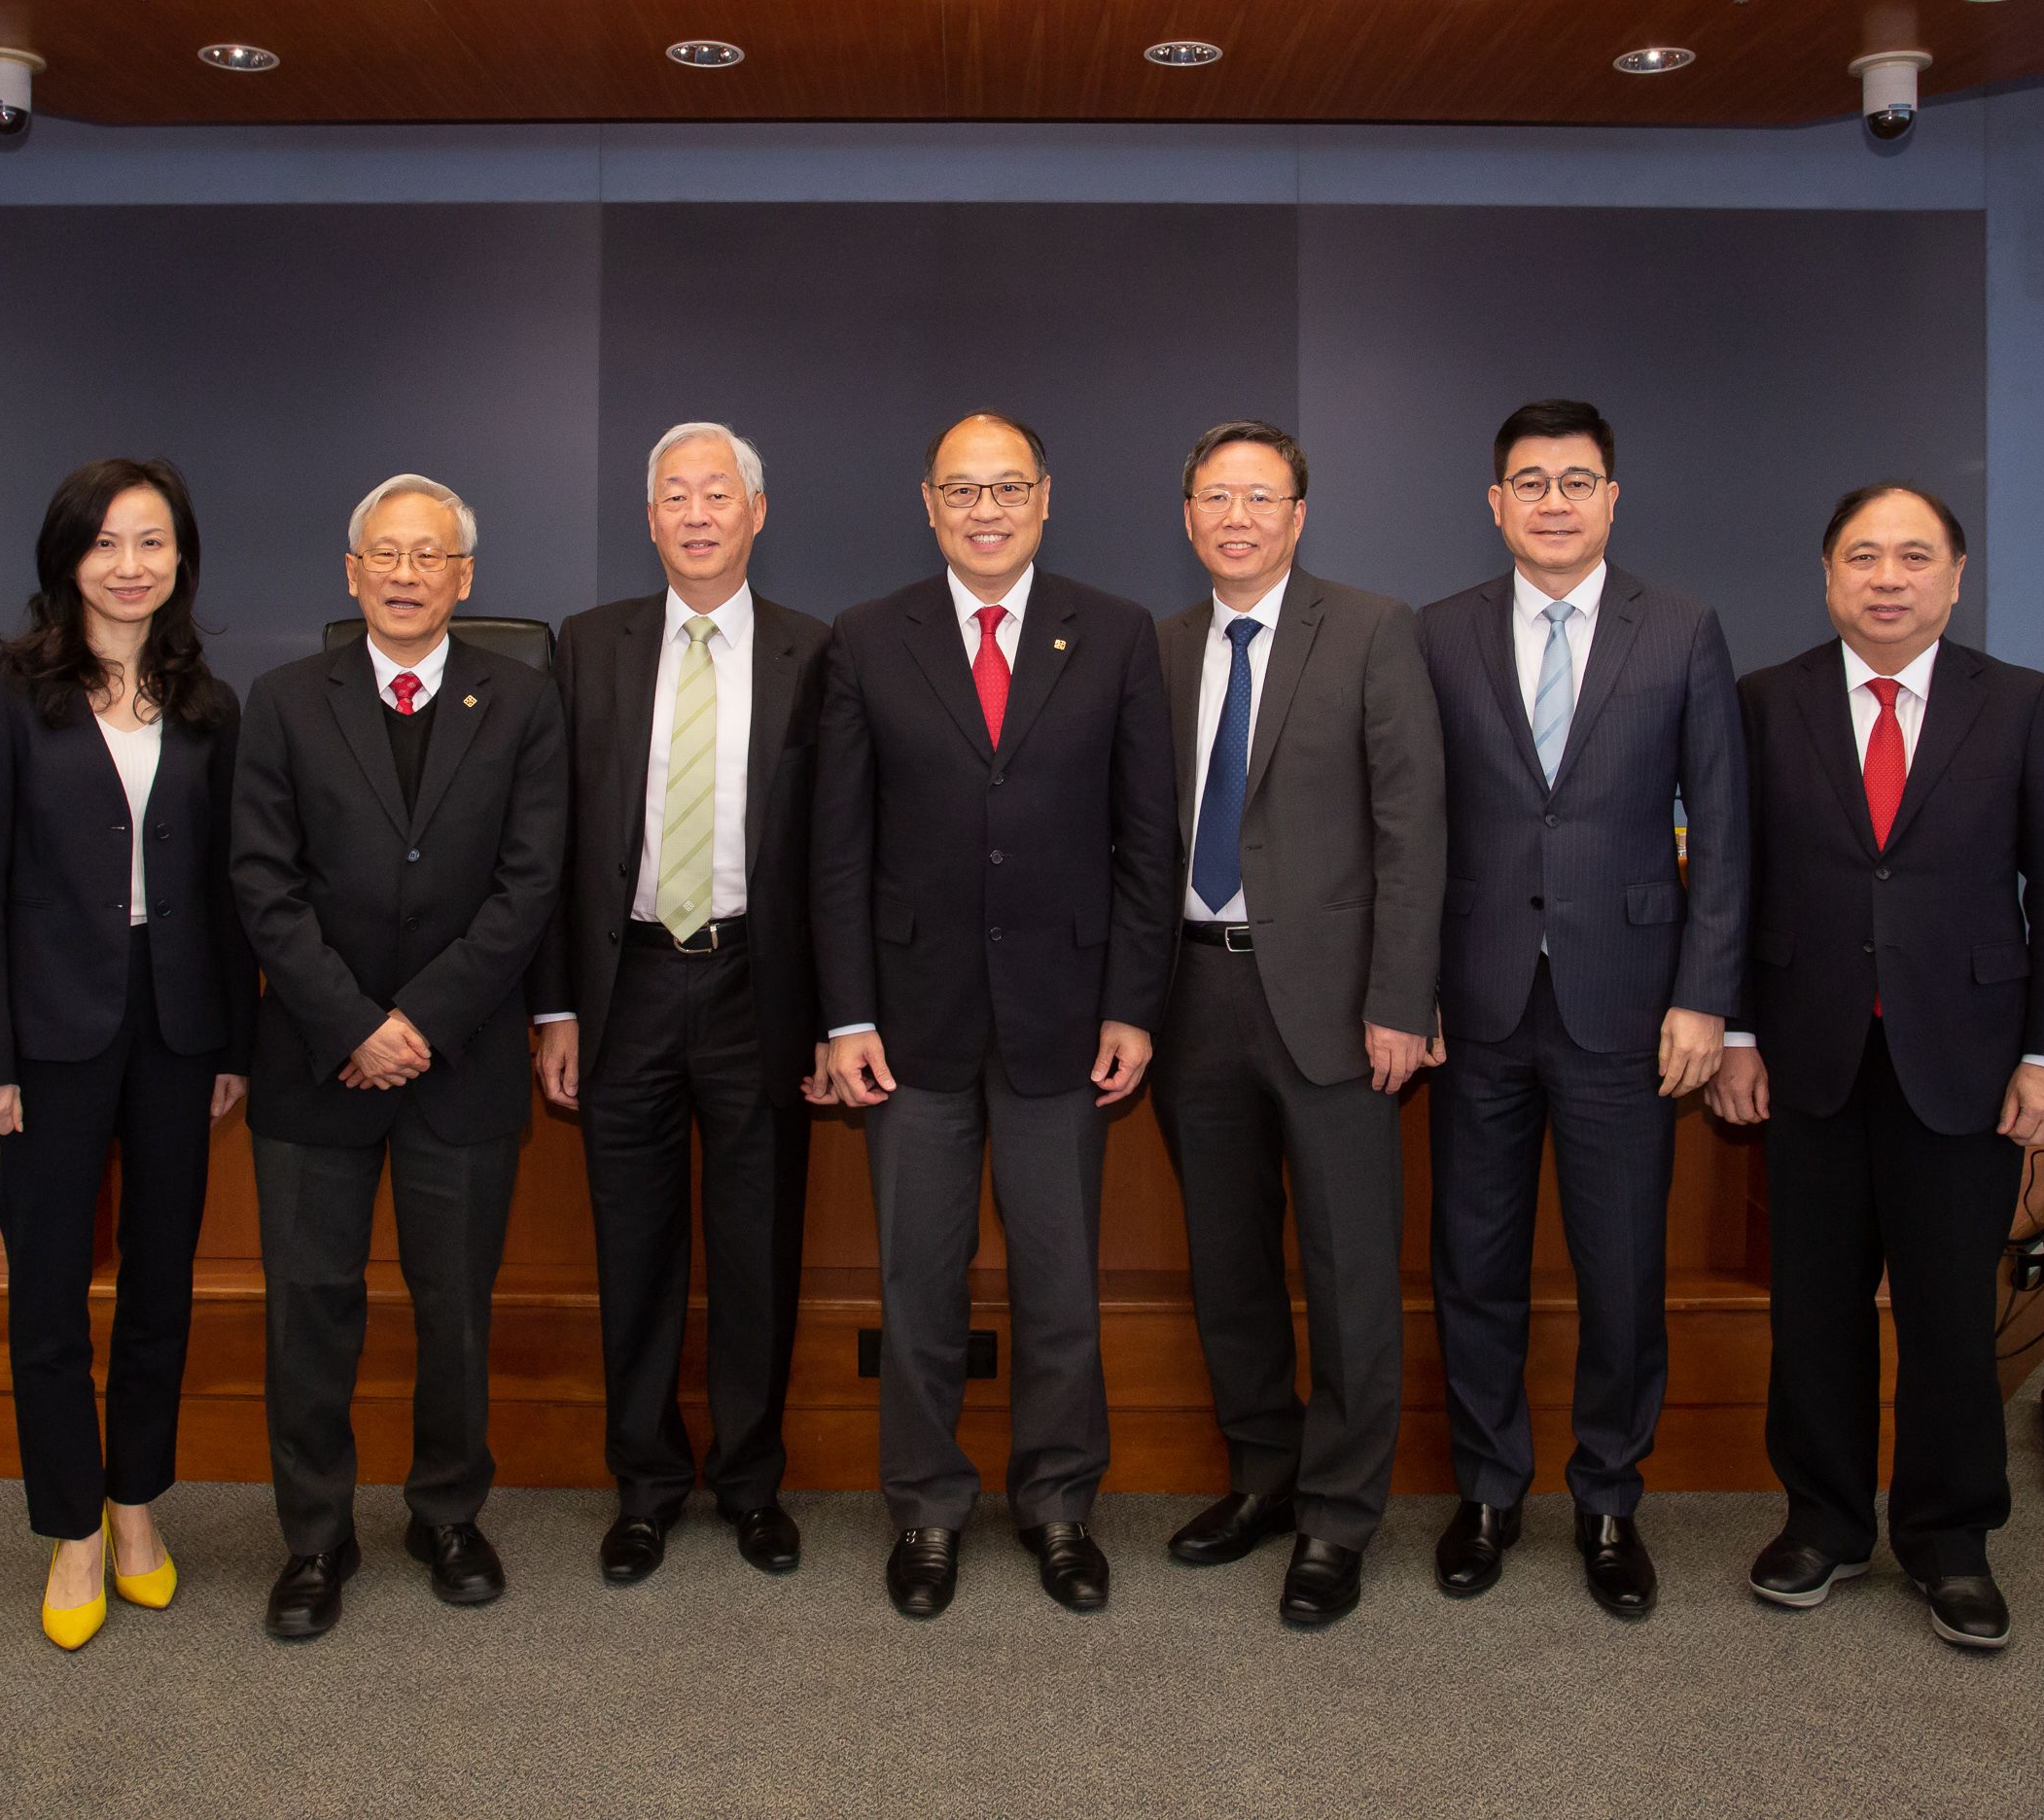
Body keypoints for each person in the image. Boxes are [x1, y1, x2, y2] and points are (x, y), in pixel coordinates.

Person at [1707, 482, 2044, 1652]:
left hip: (1965, 1059)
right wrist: (1729, 1032)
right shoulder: (1765, 701)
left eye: (1912, 556)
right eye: (1861, 556)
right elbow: (1728, 880)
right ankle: (1819, 1521)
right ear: (1825, 577)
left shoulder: (2020, 704)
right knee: (1811, 1307)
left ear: (1955, 576)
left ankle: (1948, 1536)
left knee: (1943, 1311)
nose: (1887, 577)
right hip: (1806, 1057)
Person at [811, 412, 1180, 1620]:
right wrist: (845, 1014)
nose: (984, 507)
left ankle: (1059, 1503)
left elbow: (1145, 840)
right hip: (907, 1021)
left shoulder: (1115, 631)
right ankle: (923, 1507)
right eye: (961, 488)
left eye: (1006, 486)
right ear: (926, 501)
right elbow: (837, 846)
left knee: (1059, 1282)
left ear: (1044, 496)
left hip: (1065, 1018)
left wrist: (1132, 1001)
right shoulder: (869, 638)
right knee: (917, 1282)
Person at [1418, 399, 1747, 1619]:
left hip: (1628, 1005)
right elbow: (1414, 827)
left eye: (1576, 478)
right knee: (1475, 1263)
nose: (1551, 499)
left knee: (1620, 1272)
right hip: (1478, 1003)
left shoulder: (1682, 630)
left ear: (1613, 498)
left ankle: (1608, 1496)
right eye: (1527, 480)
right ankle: (1489, 1490)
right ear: (1493, 502)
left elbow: (1720, 830)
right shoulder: (1438, 632)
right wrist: (1409, 988)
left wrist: (1704, 997)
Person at [230, 473, 566, 1638]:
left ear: (465, 579)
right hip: (315, 1063)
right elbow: (260, 885)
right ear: (351, 570)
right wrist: (354, 1024)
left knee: (453, 1308)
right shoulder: (279, 700)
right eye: (387, 553)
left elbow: (530, 886)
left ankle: (445, 1513)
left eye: (432, 556)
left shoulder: (522, 700)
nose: (409, 574)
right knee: (310, 1309)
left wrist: (418, 1021)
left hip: (460, 1060)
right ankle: (315, 1537)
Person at [0, 458, 252, 1653]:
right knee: (47, 1286)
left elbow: (228, 893)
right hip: (50, 1029)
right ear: (67, 556)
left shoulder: (208, 700)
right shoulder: (4, 691)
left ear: (181, 558)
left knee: (161, 1281)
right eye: (107, 542)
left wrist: (230, 1038)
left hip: (178, 1027)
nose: (131, 564)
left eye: (155, 542)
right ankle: (72, 1524)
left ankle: (137, 1508)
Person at [1148, 421, 1445, 1629]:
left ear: (1298, 513)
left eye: (1259, 496)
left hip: (1333, 1003)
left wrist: (1399, 998)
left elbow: (1413, 827)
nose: (1236, 516)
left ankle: (1336, 1516)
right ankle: (1260, 1477)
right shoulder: (1158, 647)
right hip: (1190, 996)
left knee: (1347, 1271)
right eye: (1214, 496)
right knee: (1228, 1265)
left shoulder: (1372, 629)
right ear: (1186, 516)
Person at [529, 422, 831, 1585]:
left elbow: (837, 849)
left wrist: (833, 1013)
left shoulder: (817, 649)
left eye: (719, 493)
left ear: (758, 512)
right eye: (674, 495)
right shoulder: (587, 645)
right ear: (647, 518)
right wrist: (554, 1004)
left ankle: (752, 1481)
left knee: (758, 1249)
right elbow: (552, 839)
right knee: (636, 1246)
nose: (697, 513)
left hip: (762, 985)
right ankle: (646, 1484)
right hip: (628, 985)